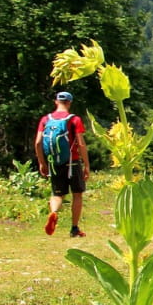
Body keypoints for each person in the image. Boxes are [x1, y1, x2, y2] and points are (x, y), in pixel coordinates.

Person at [35, 91, 90, 237]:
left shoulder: (46, 119)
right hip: (73, 162)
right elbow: (81, 144)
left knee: (57, 194)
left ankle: (53, 212)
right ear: (70, 103)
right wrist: (87, 165)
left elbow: (38, 142)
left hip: (55, 162)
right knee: (77, 195)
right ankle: (74, 228)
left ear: (56, 102)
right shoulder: (74, 120)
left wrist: (42, 162)